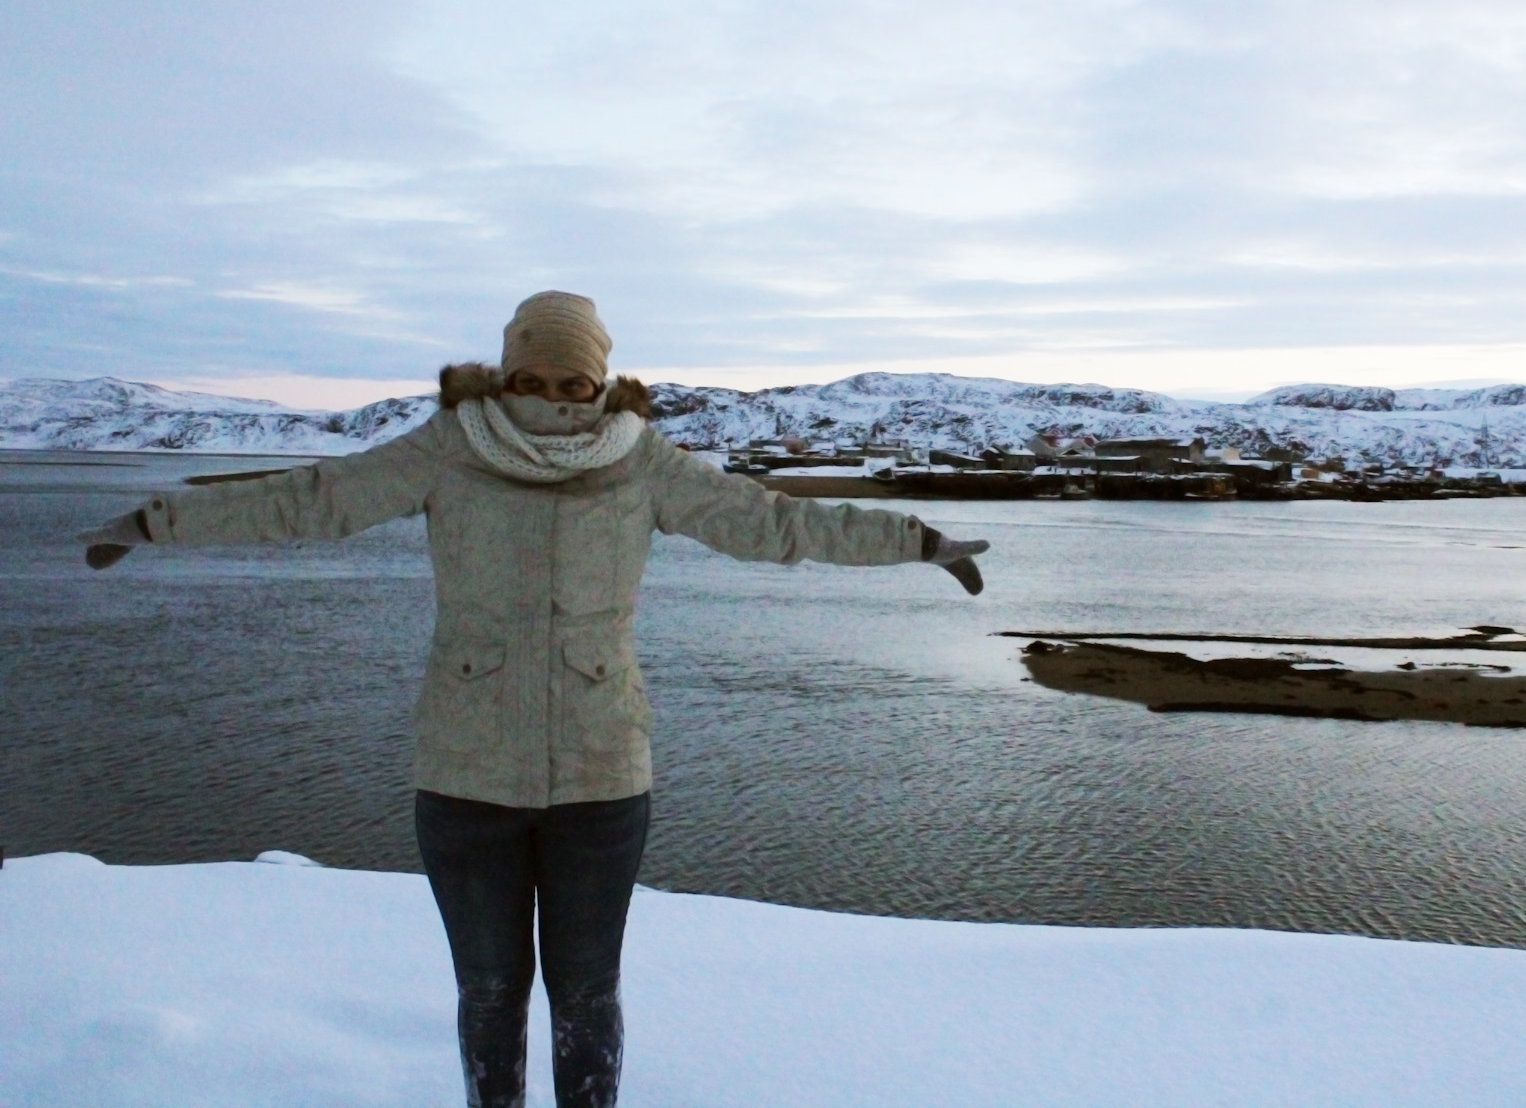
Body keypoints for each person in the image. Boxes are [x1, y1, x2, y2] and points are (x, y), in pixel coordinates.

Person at [79, 291, 990, 1108]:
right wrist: (158, 522)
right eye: (533, 372)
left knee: (588, 990)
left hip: (601, 777)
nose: (551, 391)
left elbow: (777, 523)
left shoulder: (644, 462)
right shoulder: (447, 448)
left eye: (573, 375)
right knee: (487, 989)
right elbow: (314, 499)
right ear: (506, 367)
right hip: (465, 775)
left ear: (601, 381)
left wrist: (917, 540)